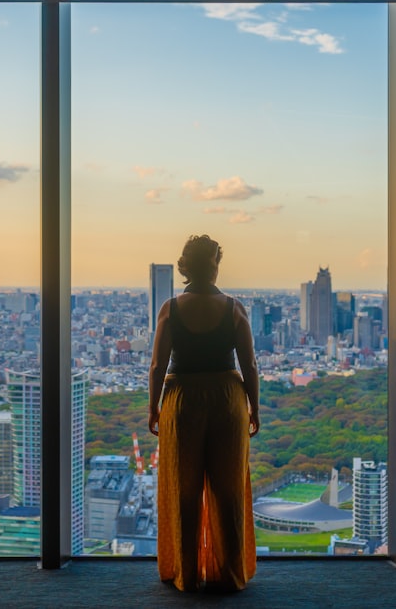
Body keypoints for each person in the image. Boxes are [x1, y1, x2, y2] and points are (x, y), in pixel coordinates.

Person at [148, 234, 259, 592]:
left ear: (185, 266)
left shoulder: (171, 309)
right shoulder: (233, 307)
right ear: (214, 267)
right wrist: (254, 407)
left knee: (184, 489)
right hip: (228, 398)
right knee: (228, 490)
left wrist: (153, 406)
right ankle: (230, 573)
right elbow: (250, 366)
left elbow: (156, 366)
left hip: (182, 399)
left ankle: (186, 573)